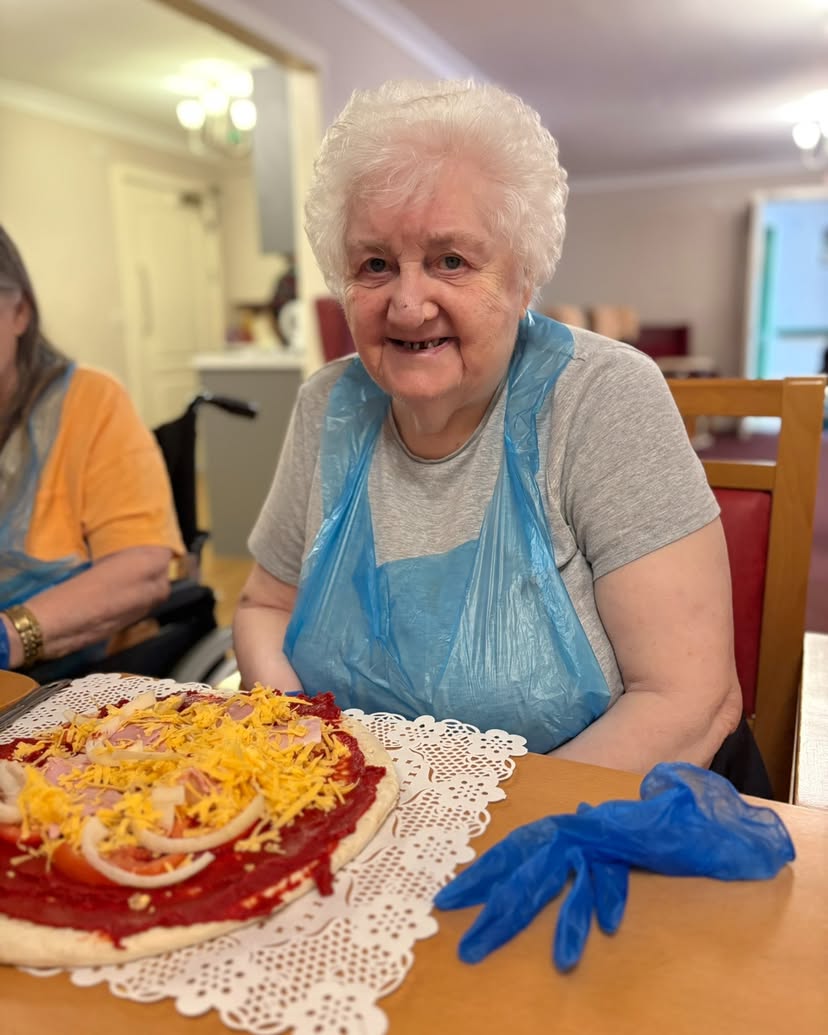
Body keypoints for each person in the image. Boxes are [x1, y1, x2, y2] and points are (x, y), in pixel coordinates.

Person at [233, 80, 743, 776]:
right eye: (376, 264)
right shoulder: (329, 407)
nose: (409, 306)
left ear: (522, 278)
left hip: (572, 824)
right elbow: (263, 606)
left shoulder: (601, 397)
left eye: (451, 260)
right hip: (353, 818)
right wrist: (296, 736)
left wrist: (473, 827)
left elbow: (691, 700)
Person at [0, 226, 184, 676]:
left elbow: (142, 569)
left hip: (82, 682)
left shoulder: (91, 402)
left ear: (19, 311)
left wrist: (10, 635)